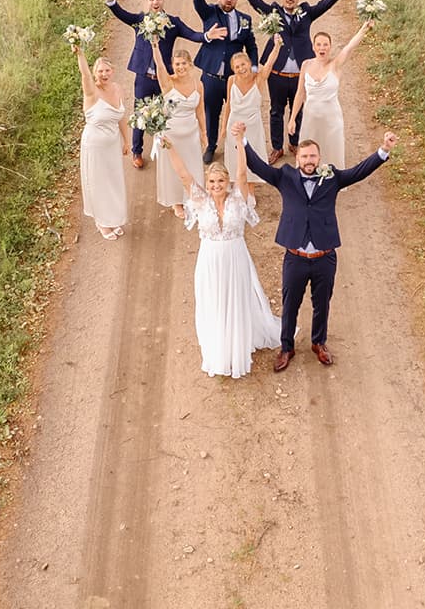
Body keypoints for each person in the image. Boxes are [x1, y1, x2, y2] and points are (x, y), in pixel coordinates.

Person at [239, 122, 397, 371]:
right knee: (290, 304)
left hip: (325, 256)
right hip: (295, 256)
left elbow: (358, 172)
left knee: (322, 303)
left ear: (319, 158)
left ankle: (318, 343)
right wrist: (243, 141)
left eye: (313, 156)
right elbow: (258, 166)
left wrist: (383, 150)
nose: (309, 160)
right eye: (304, 156)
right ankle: (286, 347)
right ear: (298, 159)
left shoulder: (331, 177)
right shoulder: (285, 176)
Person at [159, 131, 283, 378]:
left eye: (220, 181)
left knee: (236, 300)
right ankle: (219, 350)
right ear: (207, 184)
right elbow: (183, 174)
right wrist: (169, 147)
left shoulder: (238, 198)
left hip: (236, 258)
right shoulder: (200, 200)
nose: (216, 186)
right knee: (215, 302)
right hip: (210, 261)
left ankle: (237, 346)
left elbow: (242, 173)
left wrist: (239, 142)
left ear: (227, 182)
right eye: (212, 182)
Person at [239, 0, 353, 162]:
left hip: (300, 74)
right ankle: (277, 147)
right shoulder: (273, 12)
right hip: (277, 74)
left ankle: (294, 142)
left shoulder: (306, 12)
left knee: (298, 110)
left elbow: (324, 5)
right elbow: (257, 4)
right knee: (276, 111)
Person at [102, 0, 210, 167]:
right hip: (144, 77)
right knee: (140, 113)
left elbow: (192, 34)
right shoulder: (140, 20)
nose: (155, 2)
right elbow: (122, 14)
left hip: (164, 79)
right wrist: (111, 0)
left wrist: (207, 36)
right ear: (147, 2)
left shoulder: (173, 22)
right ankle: (137, 152)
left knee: (166, 113)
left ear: (163, 1)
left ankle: (166, 149)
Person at [189, 0, 258, 164]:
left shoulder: (245, 19)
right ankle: (211, 146)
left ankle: (238, 144)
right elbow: (198, 3)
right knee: (211, 112)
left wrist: (253, 68)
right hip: (211, 76)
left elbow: (251, 45)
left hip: (234, 77)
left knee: (238, 110)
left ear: (237, 0)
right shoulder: (210, 13)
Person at [286, 21, 373, 168]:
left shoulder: (335, 64)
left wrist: (364, 28)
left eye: (325, 44)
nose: (322, 48)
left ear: (330, 47)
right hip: (310, 119)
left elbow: (349, 47)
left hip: (331, 120)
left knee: (332, 154)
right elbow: (300, 93)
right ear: (313, 47)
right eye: (319, 44)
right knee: (308, 153)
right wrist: (293, 118)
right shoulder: (306, 65)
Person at [76, 48, 129, 239]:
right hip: (95, 146)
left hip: (112, 144)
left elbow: (121, 116)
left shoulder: (118, 89)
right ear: (95, 73)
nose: (104, 74)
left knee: (113, 181)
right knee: (99, 183)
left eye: (107, 70)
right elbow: (84, 75)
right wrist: (80, 53)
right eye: (100, 71)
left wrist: (126, 140)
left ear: (112, 71)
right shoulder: (92, 92)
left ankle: (112, 218)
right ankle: (102, 222)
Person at [151, 43, 207, 221]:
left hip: (191, 133)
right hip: (171, 134)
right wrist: (155, 46)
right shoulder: (168, 83)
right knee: (173, 168)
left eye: (184, 63)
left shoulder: (198, 85)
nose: (180, 67)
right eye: (177, 64)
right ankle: (177, 202)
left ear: (190, 64)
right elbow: (160, 66)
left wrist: (204, 133)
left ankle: (193, 198)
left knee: (192, 165)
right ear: (172, 65)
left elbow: (200, 110)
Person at [224, 41, 283, 187]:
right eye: (237, 67)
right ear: (233, 69)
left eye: (243, 64)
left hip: (253, 126)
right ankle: (237, 186)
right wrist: (223, 128)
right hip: (234, 125)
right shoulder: (231, 80)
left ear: (249, 63)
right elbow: (228, 105)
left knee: (252, 158)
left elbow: (269, 63)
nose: (241, 69)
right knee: (234, 157)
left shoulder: (259, 79)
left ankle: (250, 188)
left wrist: (276, 46)